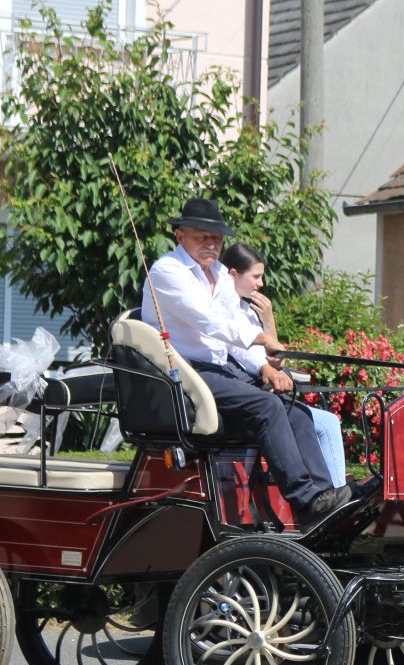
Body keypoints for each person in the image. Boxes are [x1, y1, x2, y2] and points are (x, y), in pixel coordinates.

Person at [141, 198, 350, 521]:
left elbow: (236, 333)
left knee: (292, 408)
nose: (212, 244)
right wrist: (263, 338)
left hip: (218, 371)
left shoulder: (221, 274)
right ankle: (305, 499)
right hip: (181, 374)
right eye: (202, 237)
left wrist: (265, 366)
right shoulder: (168, 271)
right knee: (266, 407)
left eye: (217, 238)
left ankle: (323, 502)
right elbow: (210, 321)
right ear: (180, 236)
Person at [220, 242, 346, 488]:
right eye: (256, 276)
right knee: (326, 423)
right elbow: (244, 354)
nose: (261, 284)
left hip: (259, 389)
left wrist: (268, 320)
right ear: (233, 274)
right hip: (243, 394)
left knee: (327, 421)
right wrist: (267, 369)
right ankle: (333, 492)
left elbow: (277, 359)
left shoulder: (246, 310)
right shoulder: (223, 312)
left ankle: (334, 492)